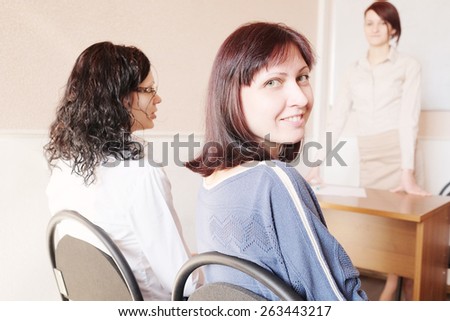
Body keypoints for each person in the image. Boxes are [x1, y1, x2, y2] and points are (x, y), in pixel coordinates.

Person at [186, 22, 368, 301]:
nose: (300, 97)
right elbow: (334, 298)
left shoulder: (212, 180)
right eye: (273, 82)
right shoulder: (273, 181)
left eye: (303, 77)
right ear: (231, 96)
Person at [44, 41, 198, 300]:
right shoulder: (140, 174)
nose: (157, 98)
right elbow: (184, 282)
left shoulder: (64, 165)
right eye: (149, 90)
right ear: (122, 99)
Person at [306, 2, 429, 300]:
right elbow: (337, 119)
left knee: (404, 220)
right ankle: (383, 280)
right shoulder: (353, 70)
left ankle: (396, 282)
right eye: (368, 23)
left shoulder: (408, 65)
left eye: (381, 23)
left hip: (399, 152)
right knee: (378, 220)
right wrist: (317, 164)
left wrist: (407, 172)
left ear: (393, 29)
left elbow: (408, 119)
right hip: (367, 151)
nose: (374, 29)